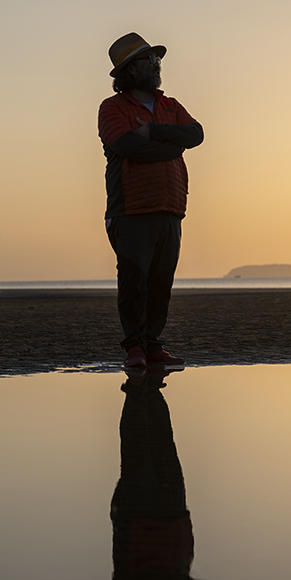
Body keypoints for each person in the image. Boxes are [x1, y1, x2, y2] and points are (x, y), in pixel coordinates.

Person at [99, 33, 204, 368]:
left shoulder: (169, 105)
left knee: (161, 282)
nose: (157, 65)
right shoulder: (112, 107)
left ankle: (153, 344)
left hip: (171, 208)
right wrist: (172, 145)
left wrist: (156, 131)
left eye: (156, 59)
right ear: (130, 70)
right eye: (149, 60)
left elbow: (196, 134)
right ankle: (135, 348)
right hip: (130, 209)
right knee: (134, 281)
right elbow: (128, 146)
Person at [111, 368, 211, 580]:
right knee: (160, 442)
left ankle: (141, 383)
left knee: (144, 446)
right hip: (171, 525)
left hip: (144, 527)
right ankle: (148, 382)